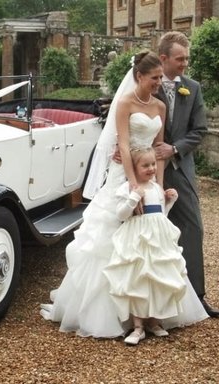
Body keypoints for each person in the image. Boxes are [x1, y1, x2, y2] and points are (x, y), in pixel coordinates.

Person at [40, 50, 167, 338]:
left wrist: (157, 185)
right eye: (154, 77)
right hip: (123, 174)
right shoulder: (123, 103)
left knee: (150, 240)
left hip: (147, 173)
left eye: (161, 77)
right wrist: (134, 184)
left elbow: (159, 150)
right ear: (139, 76)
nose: (159, 82)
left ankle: (149, 312)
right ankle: (110, 313)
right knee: (107, 238)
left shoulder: (160, 107)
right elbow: (123, 145)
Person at [103, 146, 208, 345]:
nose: (151, 168)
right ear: (133, 168)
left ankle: (154, 321)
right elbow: (121, 215)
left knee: (157, 277)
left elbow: (161, 215)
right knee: (137, 279)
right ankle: (138, 326)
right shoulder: (127, 189)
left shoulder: (156, 188)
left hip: (158, 240)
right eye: (146, 165)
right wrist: (134, 198)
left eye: (153, 164)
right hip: (137, 239)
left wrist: (169, 202)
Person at [153, 31, 219, 317]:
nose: (185, 64)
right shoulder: (146, 83)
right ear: (163, 58)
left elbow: (200, 130)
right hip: (146, 171)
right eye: (180, 59)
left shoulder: (192, 88)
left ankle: (197, 297)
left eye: (187, 59)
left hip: (180, 168)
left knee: (193, 229)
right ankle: (144, 303)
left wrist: (175, 149)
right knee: (144, 234)